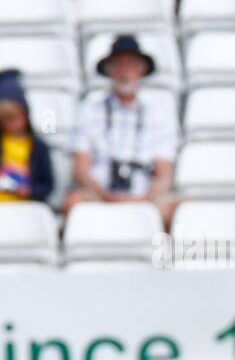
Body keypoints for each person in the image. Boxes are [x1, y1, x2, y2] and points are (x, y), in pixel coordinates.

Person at [65, 35, 179, 224]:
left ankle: (163, 253)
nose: (125, 72)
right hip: (99, 194)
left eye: (132, 65)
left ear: (142, 70)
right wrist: (106, 195)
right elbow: (81, 169)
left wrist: (145, 198)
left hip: (146, 197)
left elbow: (164, 173)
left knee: (176, 209)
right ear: (109, 70)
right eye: (119, 65)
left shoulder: (159, 114)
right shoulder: (88, 110)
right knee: (74, 203)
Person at [0, 70, 54, 205]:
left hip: (27, 206)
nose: (10, 124)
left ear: (25, 115)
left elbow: (47, 184)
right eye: (4, 119)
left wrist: (30, 191)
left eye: (13, 118)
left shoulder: (38, 147)